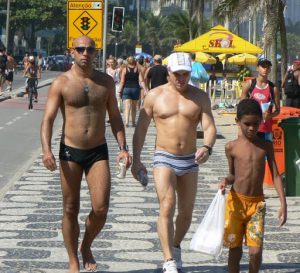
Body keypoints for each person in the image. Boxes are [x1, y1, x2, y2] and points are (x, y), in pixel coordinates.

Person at [40, 35, 131, 273]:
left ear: (95, 52)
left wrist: (123, 148)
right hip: (70, 151)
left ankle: (86, 246)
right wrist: (46, 150)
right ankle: (73, 261)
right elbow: (48, 119)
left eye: (90, 49)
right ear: (72, 52)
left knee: (100, 209)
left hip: (97, 151)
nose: (85, 53)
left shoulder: (105, 82)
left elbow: (115, 117)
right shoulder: (61, 83)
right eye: (80, 49)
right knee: (70, 208)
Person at [131, 52, 217, 273]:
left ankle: (176, 245)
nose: (181, 78)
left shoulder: (199, 97)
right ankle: (168, 259)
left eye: (185, 74)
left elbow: (209, 127)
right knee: (167, 205)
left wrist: (207, 147)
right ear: (168, 72)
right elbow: (141, 128)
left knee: (186, 213)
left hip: (189, 158)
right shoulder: (154, 95)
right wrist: (137, 160)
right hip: (164, 157)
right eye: (177, 73)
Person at [219, 98, 287, 273]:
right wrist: (225, 181)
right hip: (235, 204)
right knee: (234, 250)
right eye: (246, 124)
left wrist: (283, 203)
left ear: (261, 122)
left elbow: (276, 175)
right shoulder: (231, 147)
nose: (251, 128)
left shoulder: (265, 146)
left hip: (257, 205)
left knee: (255, 252)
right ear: (237, 122)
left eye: (255, 124)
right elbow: (232, 174)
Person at [240, 58, 280, 141]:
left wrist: (270, 115)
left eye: (268, 67)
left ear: (270, 70)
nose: (265, 69)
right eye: (263, 66)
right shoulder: (249, 84)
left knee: (265, 154)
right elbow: (241, 108)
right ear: (257, 68)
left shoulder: (273, 88)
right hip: (250, 129)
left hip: (266, 130)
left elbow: (278, 111)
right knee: (250, 153)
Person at [118, 56, 147, 127]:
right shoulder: (138, 70)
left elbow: (122, 81)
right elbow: (142, 81)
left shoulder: (124, 70)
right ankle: (133, 122)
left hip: (126, 89)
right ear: (134, 61)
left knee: (127, 107)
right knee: (134, 107)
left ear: (127, 62)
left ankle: (127, 122)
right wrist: (145, 89)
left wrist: (119, 90)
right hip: (135, 89)